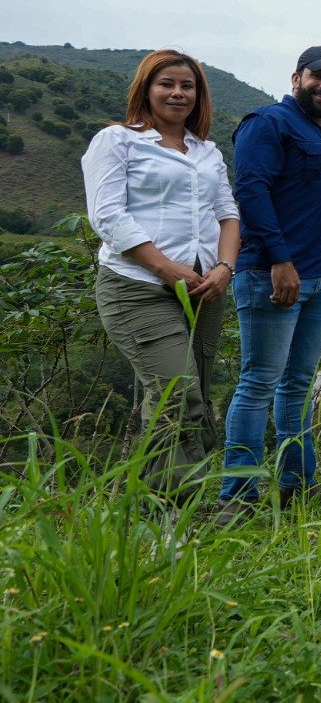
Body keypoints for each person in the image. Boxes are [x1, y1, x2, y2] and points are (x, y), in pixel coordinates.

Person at [82, 50, 239, 501]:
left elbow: (227, 214)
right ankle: (165, 513)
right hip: (138, 288)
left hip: (204, 289)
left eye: (187, 86)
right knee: (176, 394)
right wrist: (167, 269)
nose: (177, 93)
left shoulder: (207, 152)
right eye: (166, 84)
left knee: (198, 399)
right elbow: (107, 215)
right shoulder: (117, 141)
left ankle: (163, 505)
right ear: (146, 89)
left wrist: (225, 268)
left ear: (198, 95)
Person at [219, 46, 321, 521]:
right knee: (257, 383)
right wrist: (279, 259)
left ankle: (298, 485)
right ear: (297, 77)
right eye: (319, 77)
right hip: (274, 273)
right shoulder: (267, 123)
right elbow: (250, 188)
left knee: (296, 387)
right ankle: (239, 496)